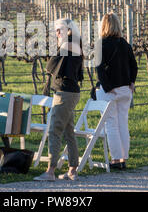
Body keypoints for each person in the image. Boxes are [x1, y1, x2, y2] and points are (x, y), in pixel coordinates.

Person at [34, 18, 83, 182]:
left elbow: (51, 66)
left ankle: (50, 171)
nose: (56, 33)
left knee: (55, 130)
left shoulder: (67, 45)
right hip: (73, 92)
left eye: (59, 30)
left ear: (68, 30)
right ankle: (72, 170)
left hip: (64, 93)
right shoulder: (76, 43)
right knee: (69, 131)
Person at [95, 13, 137, 170]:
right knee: (122, 124)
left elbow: (99, 69)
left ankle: (116, 160)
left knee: (111, 125)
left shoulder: (101, 44)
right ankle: (123, 159)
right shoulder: (125, 44)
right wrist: (132, 83)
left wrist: (107, 87)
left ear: (103, 25)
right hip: (126, 90)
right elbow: (134, 65)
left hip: (110, 91)